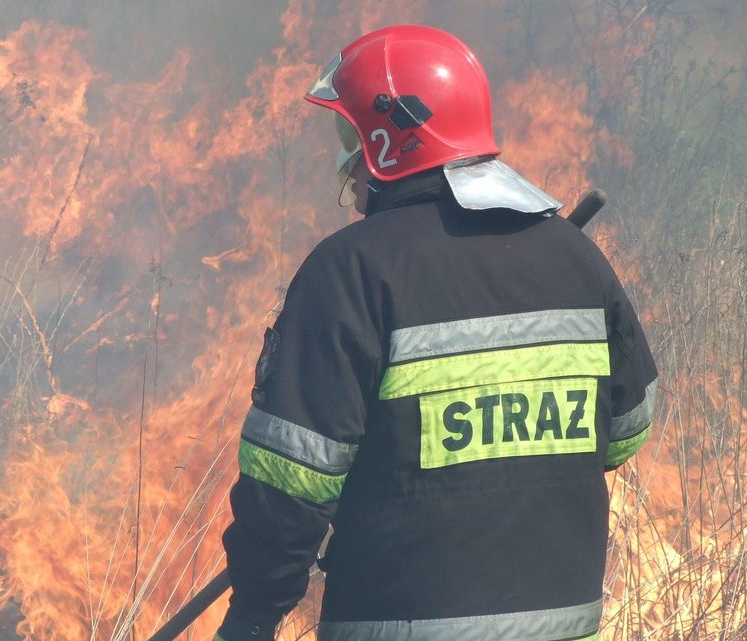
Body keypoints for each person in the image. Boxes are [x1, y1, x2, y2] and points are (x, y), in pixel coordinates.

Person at [215, 25, 658, 641]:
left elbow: (291, 484)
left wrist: (253, 615)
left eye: (351, 135)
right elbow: (626, 433)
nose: (347, 157)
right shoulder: (577, 261)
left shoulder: (351, 271)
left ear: (390, 138)